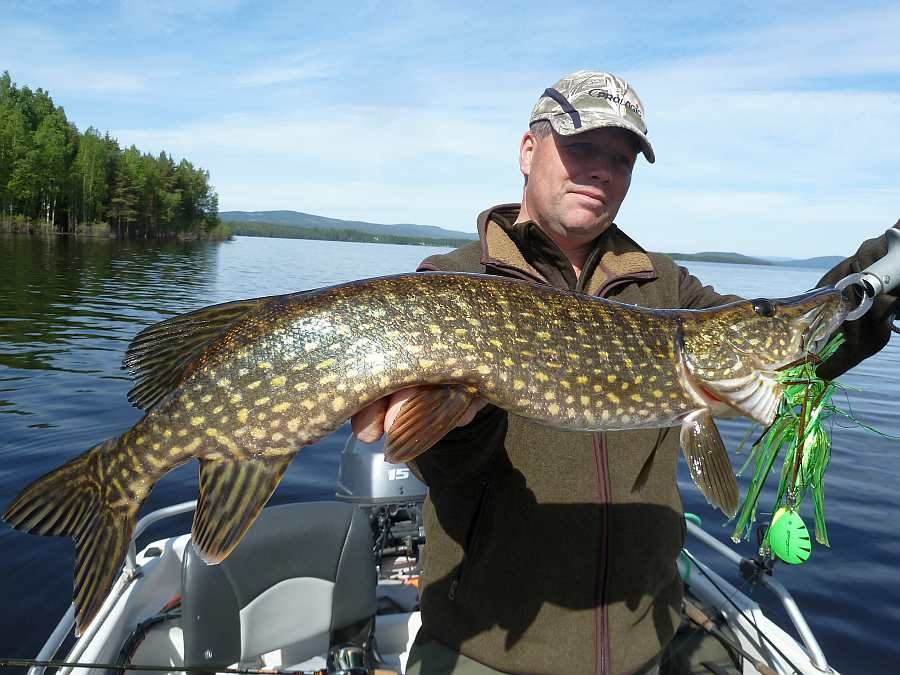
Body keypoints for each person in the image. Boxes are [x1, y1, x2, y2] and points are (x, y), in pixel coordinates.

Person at [351, 70, 899, 674]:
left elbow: (784, 345)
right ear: (528, 150)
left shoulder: (666, 286)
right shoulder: (456, 282)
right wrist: (458, 419)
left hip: (645, 642)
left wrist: (877, 278)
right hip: (487, 648)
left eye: (622, 158)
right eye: (581, 146)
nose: (603, 170)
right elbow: (440, 462)